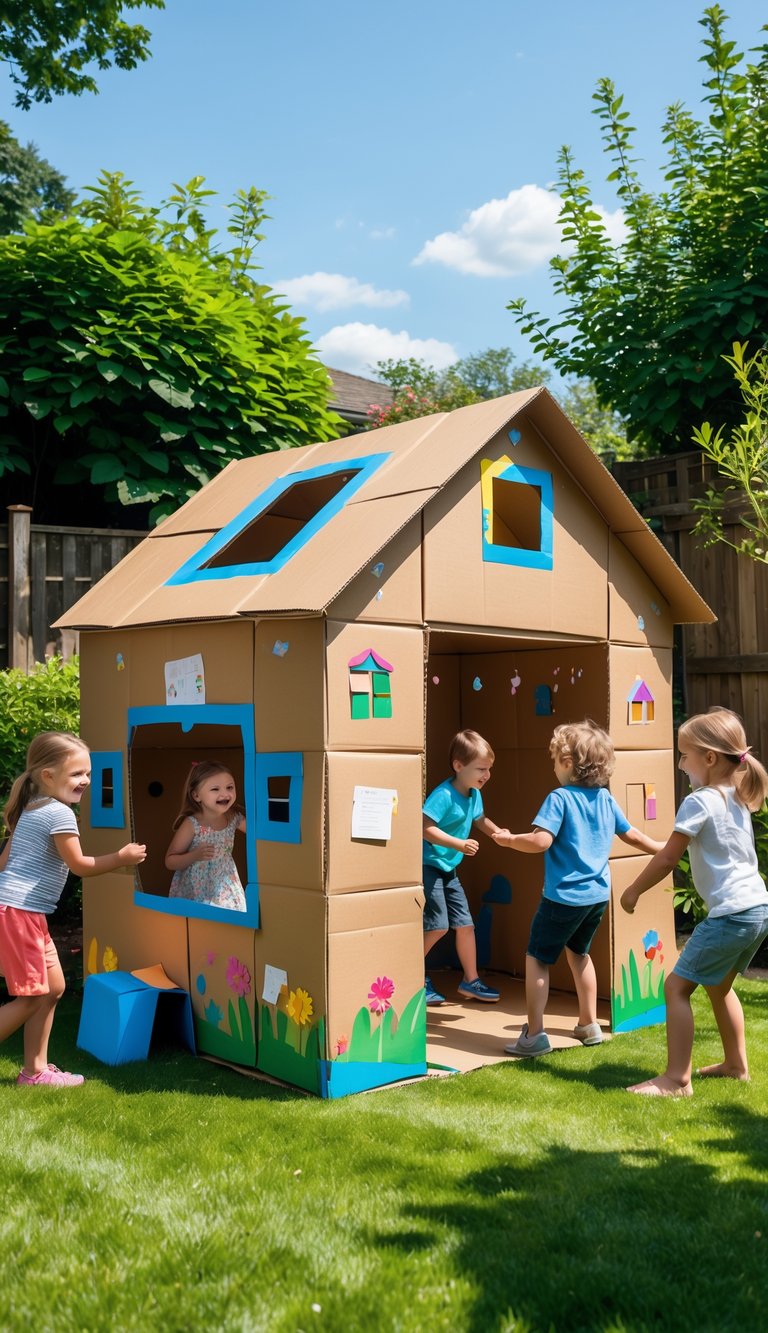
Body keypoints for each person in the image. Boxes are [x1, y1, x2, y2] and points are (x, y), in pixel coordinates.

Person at [621, 707, 768, 1097]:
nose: (681, 764)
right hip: (757, 908)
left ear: (709, 758)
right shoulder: (737, 796)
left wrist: (633, 890)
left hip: (731, 914)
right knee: (720, 986)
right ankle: (736, 1066)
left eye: (684, 755)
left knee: (676, 987)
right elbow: (703, 850)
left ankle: (675, 1080)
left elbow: (669, 858)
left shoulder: (699, 801)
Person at [493, 719, 663, 1056]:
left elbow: (541, 841)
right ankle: (588, 1024)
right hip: (596, 897)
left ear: (568, 764)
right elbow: (631, 834)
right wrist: (662, 848)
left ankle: (535, 1035)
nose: (554, 766)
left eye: (555, 759)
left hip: (563, 898)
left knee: (537, 958)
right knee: (579, 954)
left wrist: (510, 840)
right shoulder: (604, 798)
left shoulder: (559, 798)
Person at [0, 731, 146, 1087]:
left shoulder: (32, 806)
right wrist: (121, 858)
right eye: (77, 774)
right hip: (20, 913)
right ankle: (34, 1071)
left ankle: (35, 1072)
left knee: (52, 989)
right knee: (32, 996)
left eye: (89, 774)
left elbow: (4, 861)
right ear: (48, 776)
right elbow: (80, 865)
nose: (86, 781)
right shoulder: (58, 814)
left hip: (20, 912)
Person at [423, 729, 509, 1005]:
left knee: (465, 925)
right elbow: (424, 827)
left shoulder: (474, 794)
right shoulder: (444, 795)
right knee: (438, 926)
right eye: (481, 768)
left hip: (449, 868)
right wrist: (459, 844)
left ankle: (470, 981)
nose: (487, 775)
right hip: (430, 865)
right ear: (458, 766)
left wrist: (499, 834)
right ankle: (413, 977)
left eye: (490, 769)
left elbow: (481, 819)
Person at [166, 761, 247, 911]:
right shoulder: (192, 824)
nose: (225, 794)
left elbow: (258, 832)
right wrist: (194, 855)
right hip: (196, 888)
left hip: (226, 883)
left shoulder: (233, 817)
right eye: (215, 789)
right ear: (196, 795)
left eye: (229, 787)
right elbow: (170, 861)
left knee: (231, 918)